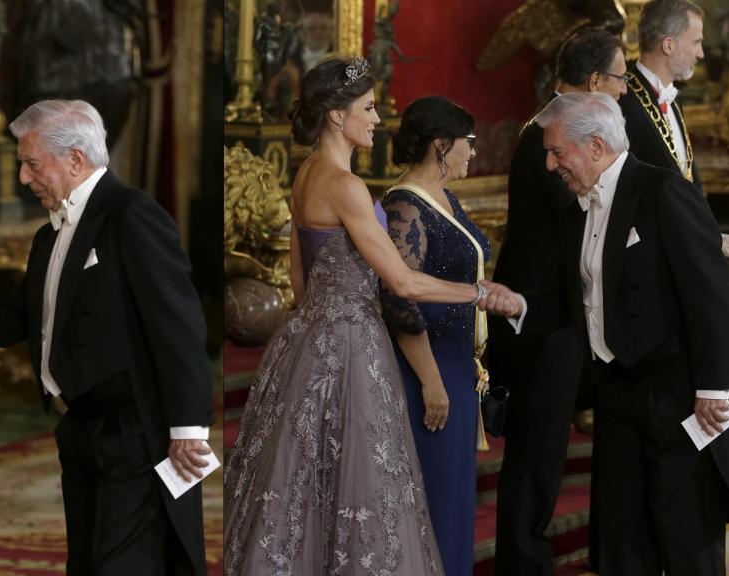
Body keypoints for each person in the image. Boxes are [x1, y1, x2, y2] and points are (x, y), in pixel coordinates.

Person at [223, 57, 521, 576]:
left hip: (308, 341)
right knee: (361, 490)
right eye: (368, 107)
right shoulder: (345, 185)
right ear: (337, 116)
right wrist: (477, 292)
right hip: (354, 344)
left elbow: (300, 284)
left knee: (305, 489)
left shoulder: (303, 177)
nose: (379, 118)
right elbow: (401, 283)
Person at [0, 99, 214, 576]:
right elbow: (19, 318)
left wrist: (187, 429)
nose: (23, 177)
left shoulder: (132, 215)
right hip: (81, 430)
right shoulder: (48, 236)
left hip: (136, 432)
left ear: (75, 159)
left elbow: (178, 325)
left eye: (31, 164)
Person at [485, 91, 729, 575]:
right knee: (622, 540)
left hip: (676, 396)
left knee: (686, 537)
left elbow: (710, 299)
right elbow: (574, 300)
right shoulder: (574, 212)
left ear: (596, 145)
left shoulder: (663, 192)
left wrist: (713, 389)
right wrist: (518, 304)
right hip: (615, 395)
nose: (548, 165)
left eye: (556, 151)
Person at [488, 27, 626, 576]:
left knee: (546, 463)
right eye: (619, 79)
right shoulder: (547, 135)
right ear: (595, 80)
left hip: (563, 323)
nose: (623, 91)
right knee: (533, 467)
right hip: (539, 326)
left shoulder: (565, 126)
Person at [379, 96, 488, 576]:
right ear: (442, 146)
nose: (473, 153)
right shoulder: (403, 205)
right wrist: (431, 381)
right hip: (428, 370)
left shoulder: (446, 197)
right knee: (433, 504)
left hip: (457, 364)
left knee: (455, 501)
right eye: (469, 143)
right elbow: (398, 299)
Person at [619, 0, 703, 189]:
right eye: (696, 42)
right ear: (668, 46)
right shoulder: (623, 101)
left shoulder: (672, 97)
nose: (701, 54)